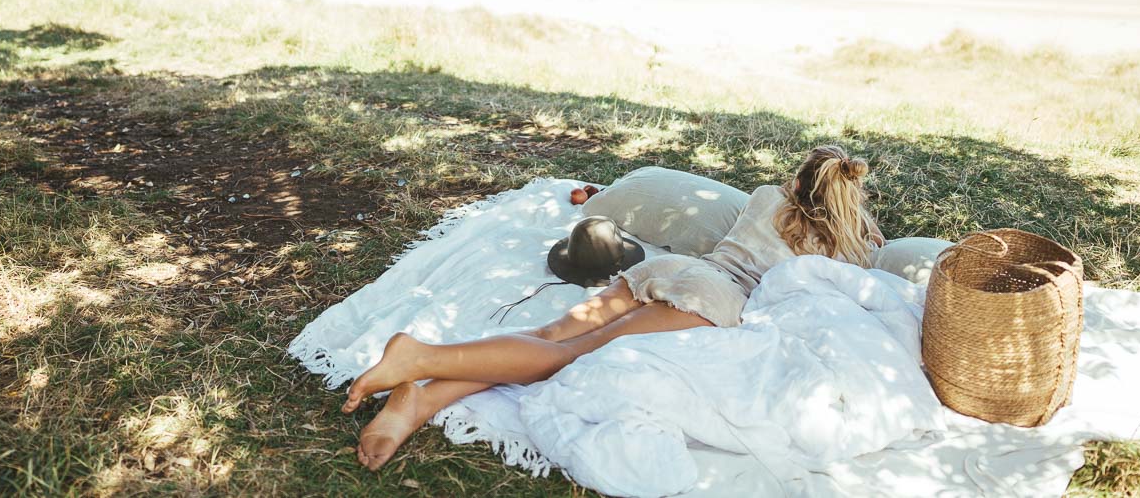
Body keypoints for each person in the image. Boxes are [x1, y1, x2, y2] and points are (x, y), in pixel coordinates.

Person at [345, 145, 885, 471]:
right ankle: (420, 358)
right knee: (569, 357)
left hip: (671, 271)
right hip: (714, 299)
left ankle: (418, 401)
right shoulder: (851, 251)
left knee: (552, 334)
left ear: (798, 183)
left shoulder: (767, 195)